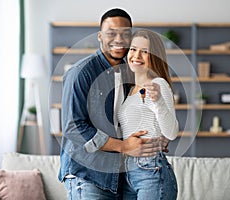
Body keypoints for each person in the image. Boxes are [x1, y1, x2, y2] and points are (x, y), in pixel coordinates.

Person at [58, 8, 168, 199]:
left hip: (119, 177)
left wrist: (154, 136)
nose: (119, 39)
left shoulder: (129, 73)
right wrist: (124, 146)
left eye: (125, 34)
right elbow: (73, 127)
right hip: (87, 174)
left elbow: (131, 117)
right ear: (100, 36)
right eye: (111, 33)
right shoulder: (81, 72)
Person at [118, 29, 179, 199]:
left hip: (150, 169)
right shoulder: (129, 90)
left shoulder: (158, 84)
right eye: (133, 49)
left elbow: (171, 133)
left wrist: (158, 101)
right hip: (127, 171)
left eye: (144, 51)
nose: (136, 55)